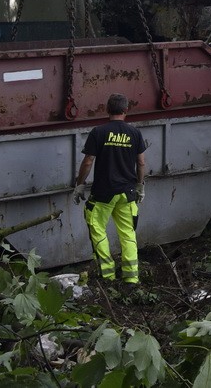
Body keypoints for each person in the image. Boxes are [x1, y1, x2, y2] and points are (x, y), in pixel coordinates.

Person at [72, 93, 147, 285]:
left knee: (97, 229)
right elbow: (141, 162)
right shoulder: (135, 133)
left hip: (104, 193)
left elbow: (88, 161)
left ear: (107, 110)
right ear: (126, 110)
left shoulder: (98, 132)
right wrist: (140, 186)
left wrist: (80, 185)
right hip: (127, 193)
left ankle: (108, 276)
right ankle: (131, 278)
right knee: (128, 234)